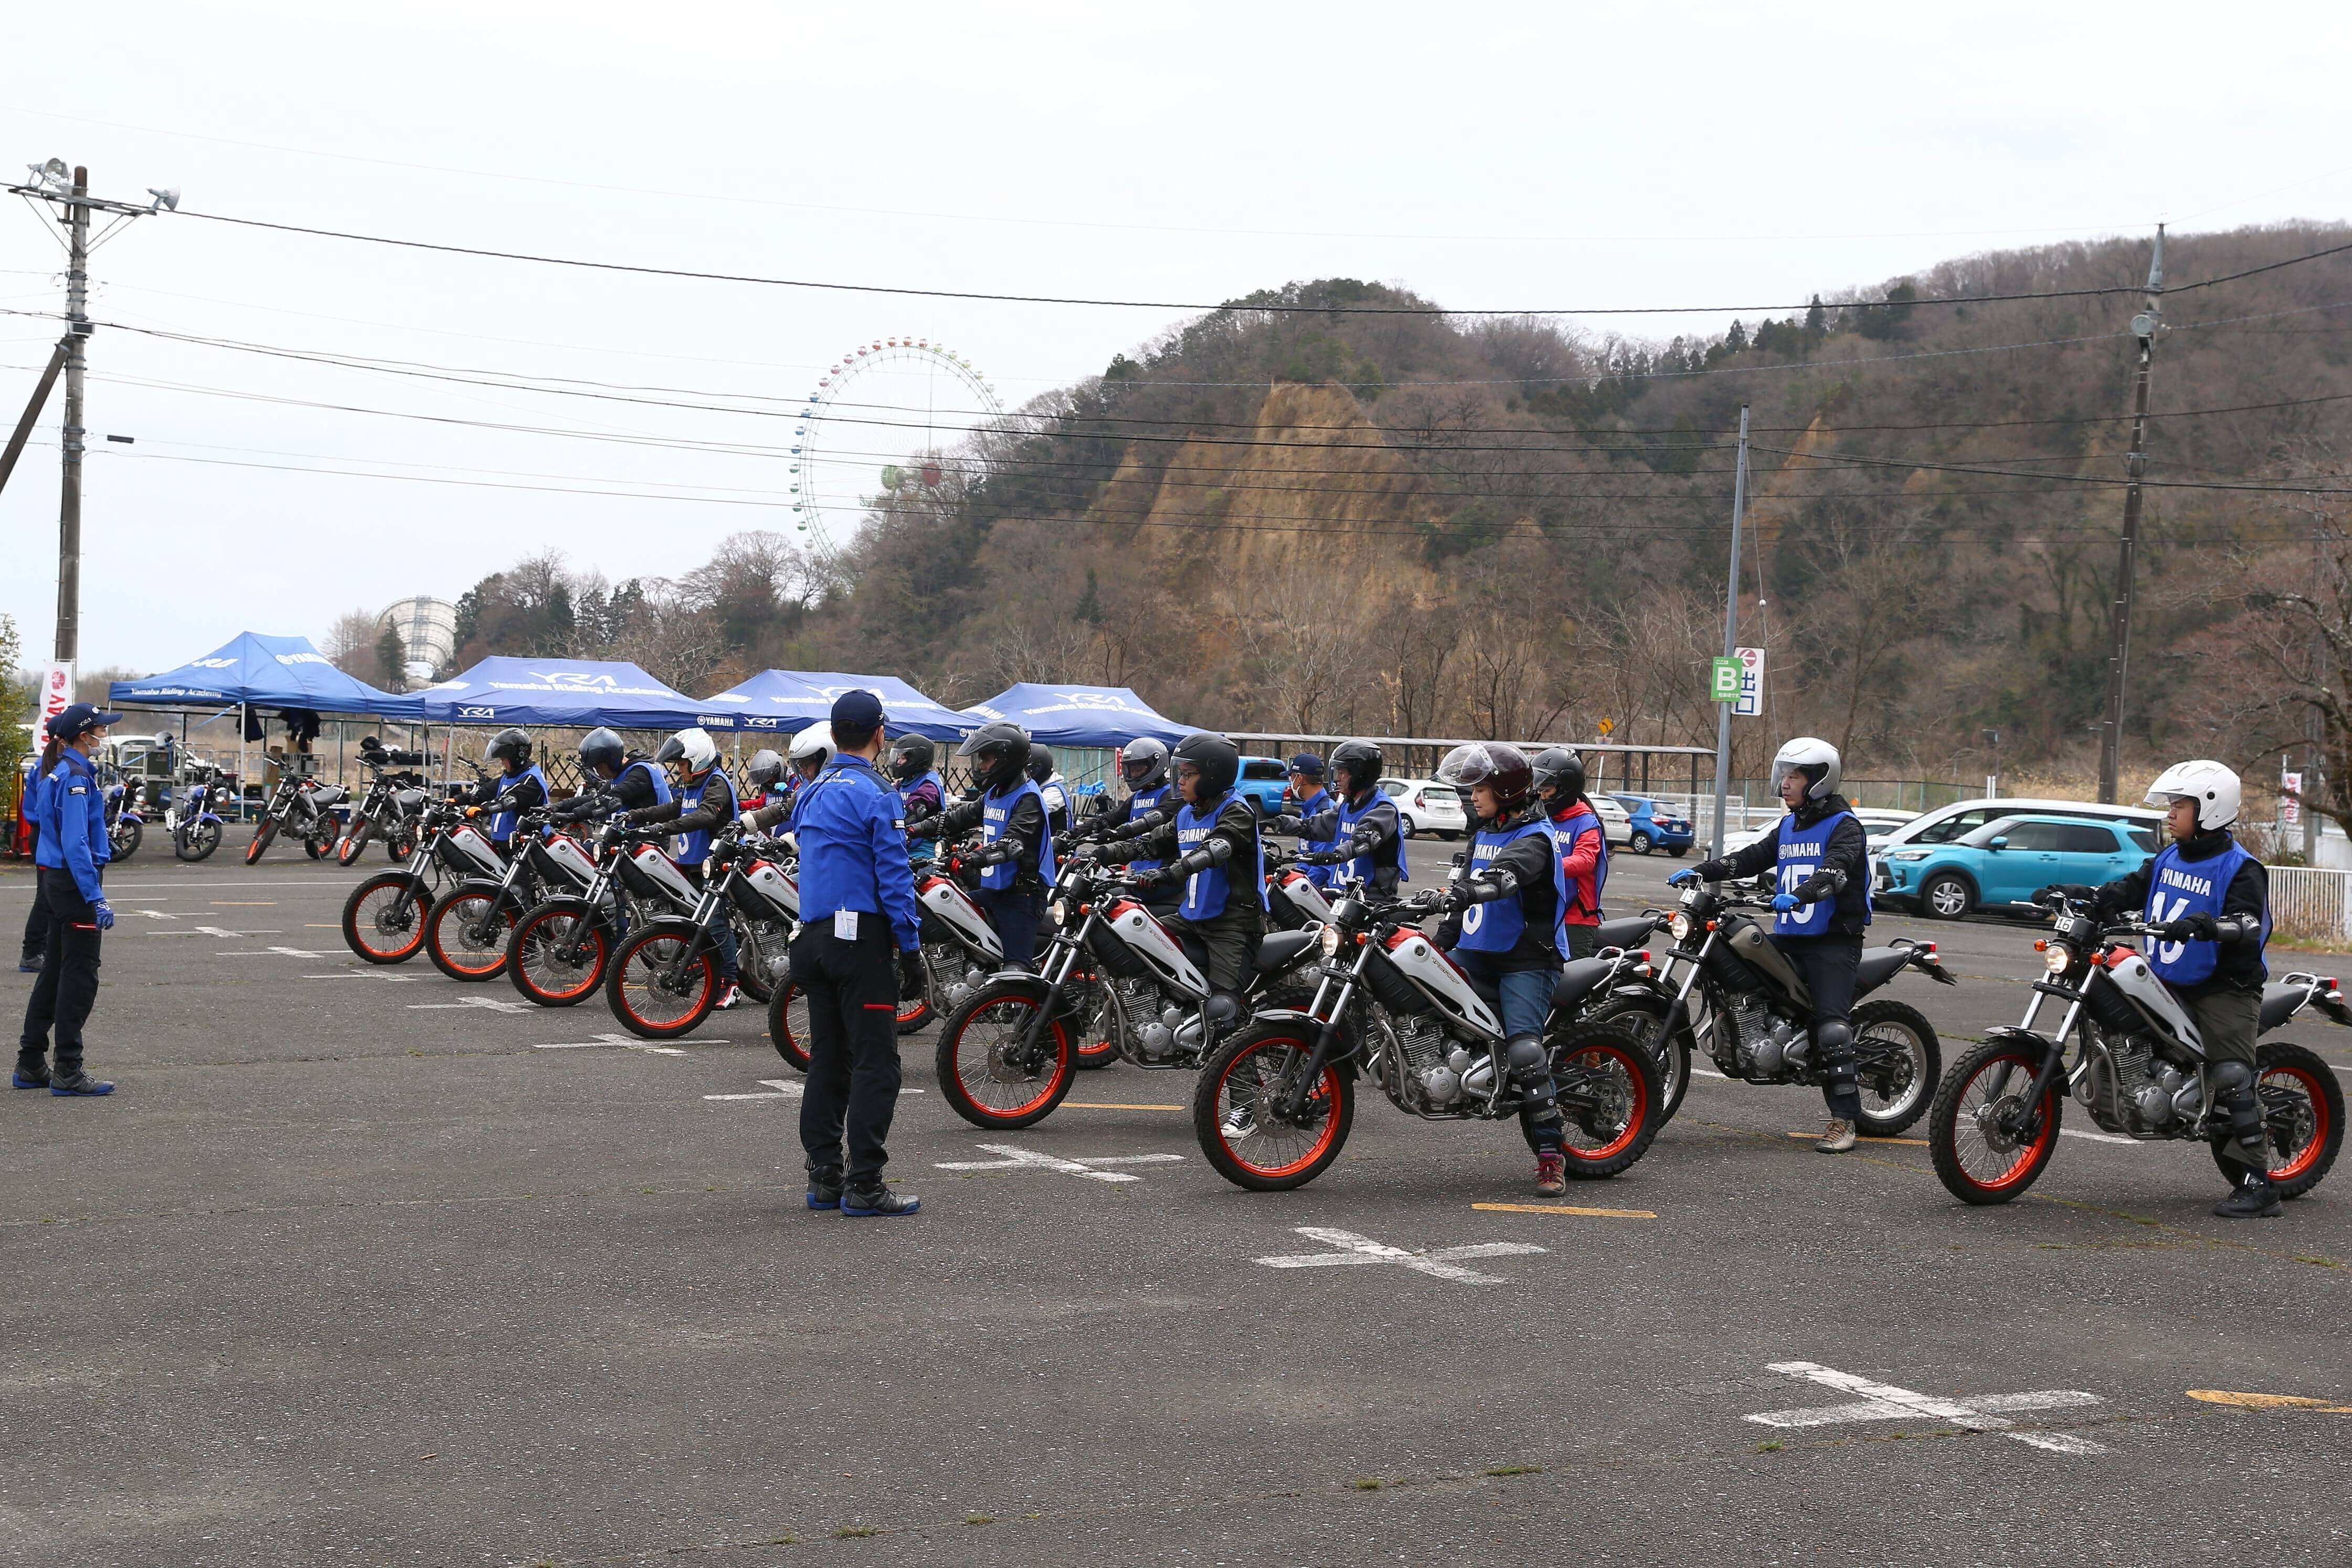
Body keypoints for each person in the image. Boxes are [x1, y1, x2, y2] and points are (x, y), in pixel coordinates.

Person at [2060, 760, 2277, 1219]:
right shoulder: (2168, 857)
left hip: (2224, 986)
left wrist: (2209, 927)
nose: (2170, 813)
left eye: (2180, 805)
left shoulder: (2242, 869)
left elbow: (2248, 922)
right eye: (2171, 804)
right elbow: (2131, 889)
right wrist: (2089, 899)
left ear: (2211, 809)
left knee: (2232, 1074)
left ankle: (2259, 1183)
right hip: (2168, 978)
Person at [1672, 736, 1870, 1152]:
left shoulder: (1844, 825)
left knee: (1832, 1026)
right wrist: (1700, 870)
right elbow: (1746, 860)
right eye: (1784, 775)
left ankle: (1845, 1119)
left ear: (1818, 781)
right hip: (1792, 936)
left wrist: (1803, 893)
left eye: (1794, 776)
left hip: (1833, 942)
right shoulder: (1788, 825)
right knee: (1733, 947)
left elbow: (1835, 873)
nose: (1785, 783)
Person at [788, 689, 923, 1217]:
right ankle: (864, 1183)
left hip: (812, 938)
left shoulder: (814, 788)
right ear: (879, 734)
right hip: (858, 940)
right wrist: (910, 949)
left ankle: (825, 1175)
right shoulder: (877, 793)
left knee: (829, 1058)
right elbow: (894, 877)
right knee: (876, 1063)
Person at [1433, 741, 1572, 1195]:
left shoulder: (1535, 837)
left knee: (1526, 1053)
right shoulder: (1484, 833)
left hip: (1526, 958)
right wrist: (1435, 944)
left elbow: (1510, 874)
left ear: (1507, 789)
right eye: (1469, 788)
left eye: (1480, 787)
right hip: (1477, 952)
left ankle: (1552, 1155)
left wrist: (1474, 890)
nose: (1471, 795)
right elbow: (1459, 906)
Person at [1084, 732, 1264, 1039]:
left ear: (1212, 776)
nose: (1180, 781)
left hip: (1232, 924)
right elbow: (1147, 844)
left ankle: (1244, 1084)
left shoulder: (1237, 810)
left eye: (1189, 775)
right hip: (1191, 917)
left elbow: (1216, 848)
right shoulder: (1186, 814)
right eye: (1180, 773)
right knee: (1132, 934)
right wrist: (1100, 853)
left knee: (1223, 1011)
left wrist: (1170, 874)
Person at [17, 703, 121, 1096]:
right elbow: (76, 843)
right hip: (75, 882)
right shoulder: (75, 779)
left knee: (54, 972)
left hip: (56, 881)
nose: (103, 737)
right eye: (99, 730)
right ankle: (68, 1068)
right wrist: (96, 897)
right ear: (83, 735)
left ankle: (30, 1062)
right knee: (80, 976)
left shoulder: (57, 773)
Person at [906, 722, 1055, 969]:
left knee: (1014, 971)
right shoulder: (995, 793)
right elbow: (958, 818)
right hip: (994, 891)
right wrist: (913, 829)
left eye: (985, 759)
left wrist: (973, 858)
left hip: (1023, 897)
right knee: (944, 913)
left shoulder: (1028, 798)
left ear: (1006, 759)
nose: (981, 766)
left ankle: (1022, 1004)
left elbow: (1012, 845)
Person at [623, 727, 744, 1009]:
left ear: (698, 760)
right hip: (693, 865)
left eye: (682, 764)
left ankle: (730, 983)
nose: (679, 770)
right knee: (693, 921)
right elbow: (671, 809)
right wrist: (635, 816)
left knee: (714, 925)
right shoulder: (692, 786)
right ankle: (703, 970)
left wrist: (662, 828)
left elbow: (704, 815)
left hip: (717, 867)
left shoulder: (717, 783)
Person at [1268, 739, 1406, 896]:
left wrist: (1336, 855)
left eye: (1342, 772)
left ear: (1359, 774)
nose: (1337, 778)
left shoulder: (1383, 808)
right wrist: (1285, 823)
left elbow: (1364, 840)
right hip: (1343, 895)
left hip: (1371, 900)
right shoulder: (1347, 806)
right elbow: (1319, 824)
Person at [1533, 747, 1609, 958]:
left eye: (1546, 790)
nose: (1541, 796)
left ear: (1565, 788)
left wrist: (1545, 865)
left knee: (1571, 984)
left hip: (1576, 919)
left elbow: (1585, 860)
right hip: (1547, 913)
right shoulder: (1543, 819)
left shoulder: (1586, 822)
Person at [548, 727, 672, 826]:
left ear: (612, 759)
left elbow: (610, 799)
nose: (599, 773)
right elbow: (595, 798)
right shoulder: (623, 773)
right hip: (628, 837)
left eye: (599, 767)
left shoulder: (640, 773)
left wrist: (573, 816)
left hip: (649, 841)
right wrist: (557, 807)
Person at [742, 724, 837, 837]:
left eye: (806, 764)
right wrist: (748, 822)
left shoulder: (837, 793)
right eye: (800, 765)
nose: (802, 771)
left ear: (825, 759)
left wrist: (792, 840)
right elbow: (783, 809)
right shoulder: (807, 787)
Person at [460, 727, 548, 847]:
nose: (502, 763)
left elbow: (509, 800)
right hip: (503, 841)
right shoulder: (509, 776)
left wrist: (483, 809)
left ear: (515, 758)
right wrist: (457, 800)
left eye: (503, 759)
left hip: (524, 844)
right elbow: (486, 791)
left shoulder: (532, 779)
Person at [17, 735, 61, 973]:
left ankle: (41, 950)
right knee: (46, 897)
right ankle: (32, 952)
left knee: (48, 895)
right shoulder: (51, 767)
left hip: (43, 833)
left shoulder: (47, 763)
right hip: (46, 834)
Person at [1279, 753, 1341, 888]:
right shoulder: (1309, 808)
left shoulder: (1325, 811)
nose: (1291, 782)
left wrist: (1296, 889)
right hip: (1306, 880)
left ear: (1299, 778)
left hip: (1318, 889)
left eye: (1291, 777)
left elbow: (1323, 867)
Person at [888, 735, 945, 870]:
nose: (899, 762)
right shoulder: (904, 782)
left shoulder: (929, 783)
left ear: (917, 759)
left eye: (903, 758)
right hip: (905, 848)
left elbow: (916, 811)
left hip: (924, 853)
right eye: (898, 757)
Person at [1029, 747, 1071, 838]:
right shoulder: (1038, 787)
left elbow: (1030, 812)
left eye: (1030, 770)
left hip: (1054, 848)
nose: (1027, 774)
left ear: (1040, 768)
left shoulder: (1054, 792)